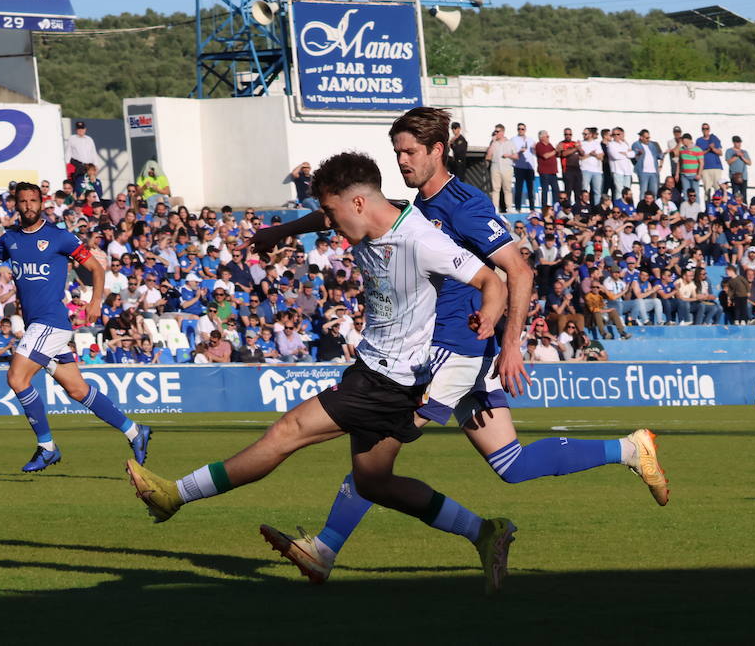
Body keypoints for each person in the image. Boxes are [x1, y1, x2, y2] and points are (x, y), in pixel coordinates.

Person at [243, 108, 668, 584]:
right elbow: (335, 211)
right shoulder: (408, 206)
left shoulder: (464, 204)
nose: (402, 161)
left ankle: (326, 548)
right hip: (436, 349)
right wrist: (281, 231)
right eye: (397, 152)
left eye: (410, 152)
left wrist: (511, 345)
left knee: (380, 440)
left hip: (456, 349)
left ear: (437, 151)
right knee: (511, 463)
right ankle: (629, 450)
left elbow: (519, 271)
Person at [125, 151, 520, 593]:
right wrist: (281, 230)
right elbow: (326, 219)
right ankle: (485, 531)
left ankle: (174, 495)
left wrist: (488, 316)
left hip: (387, 382)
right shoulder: (368, 213)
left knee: (287, 432)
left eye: (332, 210)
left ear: (356, 204)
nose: (329, 224)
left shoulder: (421, 240)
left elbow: (493, 280)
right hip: (377, 371)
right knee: (374, 483)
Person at [0, 182, 152, 473]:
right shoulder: (10, 240)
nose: (28, 206)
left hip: (52, 322)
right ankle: (135, 431)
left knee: (17, 378)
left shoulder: (59, 237)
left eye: (34, 200)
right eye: (23, 201)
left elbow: (96, 267)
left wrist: (96, 302)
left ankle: (47, 447)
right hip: (39, 326)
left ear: (42, 202)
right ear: (15, 204)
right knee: (77, 389)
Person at [485, 123, 517, 213]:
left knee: (507, 188)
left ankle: (509, 207)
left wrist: (508, 155)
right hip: (495, 167)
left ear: (502, 132)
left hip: (507, 168)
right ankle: (495, 207)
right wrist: (492, 142)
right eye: (495, 131)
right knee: (495, 189)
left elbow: (516, 156)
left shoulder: (510, 143)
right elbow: (488, 156)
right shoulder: (494, 144)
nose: (496, 133)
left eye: (497, 131)